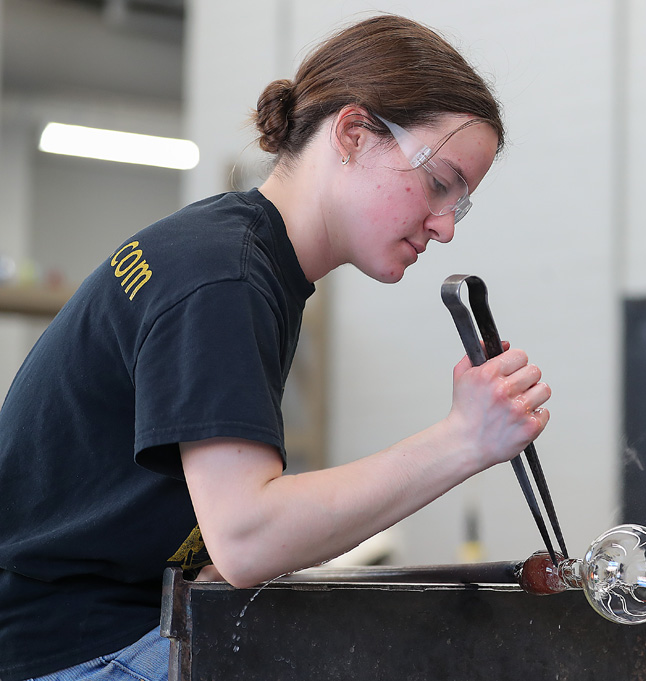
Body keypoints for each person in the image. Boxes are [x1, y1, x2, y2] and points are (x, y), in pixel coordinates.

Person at [0, 14, 550, 681]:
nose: (445, 227)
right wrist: (464, 440)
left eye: (459, 206)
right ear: (354, 133)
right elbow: (247, 537)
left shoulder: (240, 258)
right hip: (73, 649)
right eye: (439, 183)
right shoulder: (223, 278)